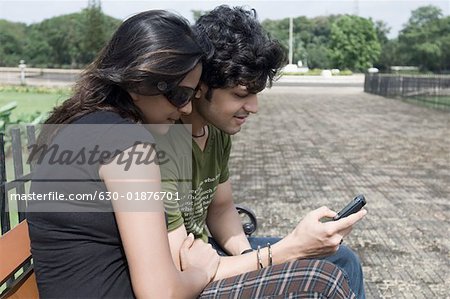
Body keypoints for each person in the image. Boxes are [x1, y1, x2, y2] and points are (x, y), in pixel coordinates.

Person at [26, 9, 356, 299]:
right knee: (319, 280)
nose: (185, 108)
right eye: (180, 94)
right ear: (143, 80)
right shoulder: (129, 144)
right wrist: (204, 268)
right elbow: (161, 292)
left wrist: (224, 259)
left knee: (332, 265)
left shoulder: (91, 124)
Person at [161, 5, 367, 298]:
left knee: (344, 260)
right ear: (199, 84)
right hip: (191, 276)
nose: (254, 108)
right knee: (323, 278)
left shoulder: (217, 132)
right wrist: (287, 250)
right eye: (241, 95)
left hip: (211, 253)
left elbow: (220, 208)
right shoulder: (163, 142)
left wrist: (248, 255)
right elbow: (177, 265)